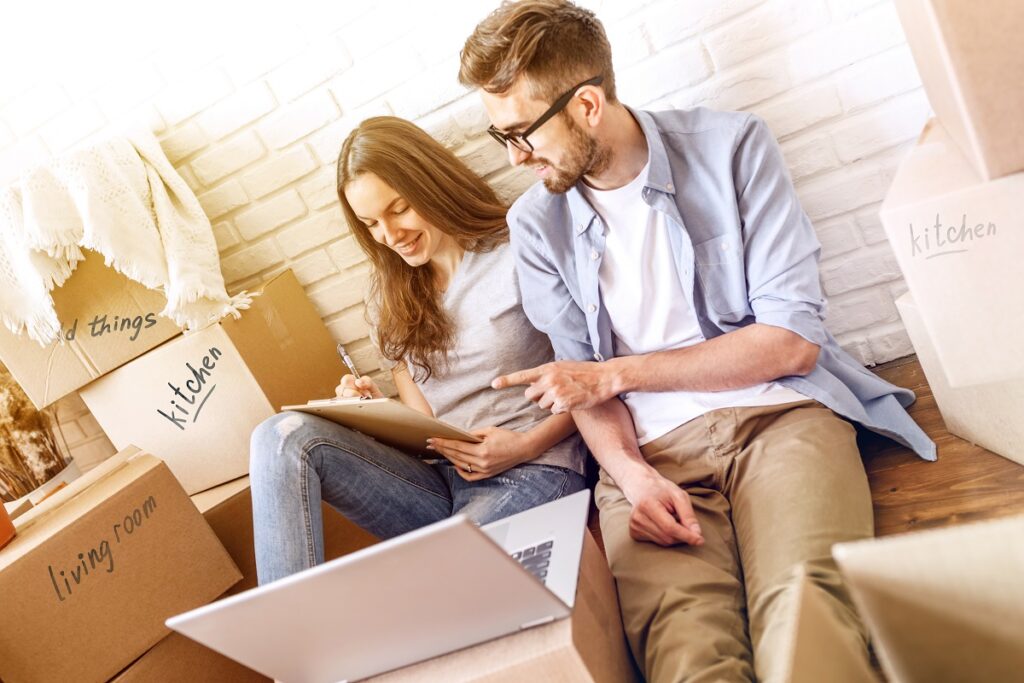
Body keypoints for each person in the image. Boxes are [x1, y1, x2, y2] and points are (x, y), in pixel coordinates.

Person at [458, 2, 935, 681]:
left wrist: (615, 374)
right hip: (647, 458)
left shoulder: (731, 147)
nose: (514, 156)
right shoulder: (536, 226)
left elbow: (791, 343)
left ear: (588, 104)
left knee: (806, 627)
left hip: (780, 415)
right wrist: (631, 475)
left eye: (523, 134)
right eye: (498, 135)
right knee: (688, 659)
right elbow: (580, 384)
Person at [249, 116, 587, 586]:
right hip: (442, 482)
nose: (389, 235)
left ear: (430, 183)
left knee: (447, 584)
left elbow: (596, 373)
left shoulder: (517, 254)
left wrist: (525, 445)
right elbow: (424, 426)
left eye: (400, 209)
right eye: (371, 224)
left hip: (534, 468)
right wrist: (372, 414)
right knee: (281, 436)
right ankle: (286, 636)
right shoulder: (390, 297)